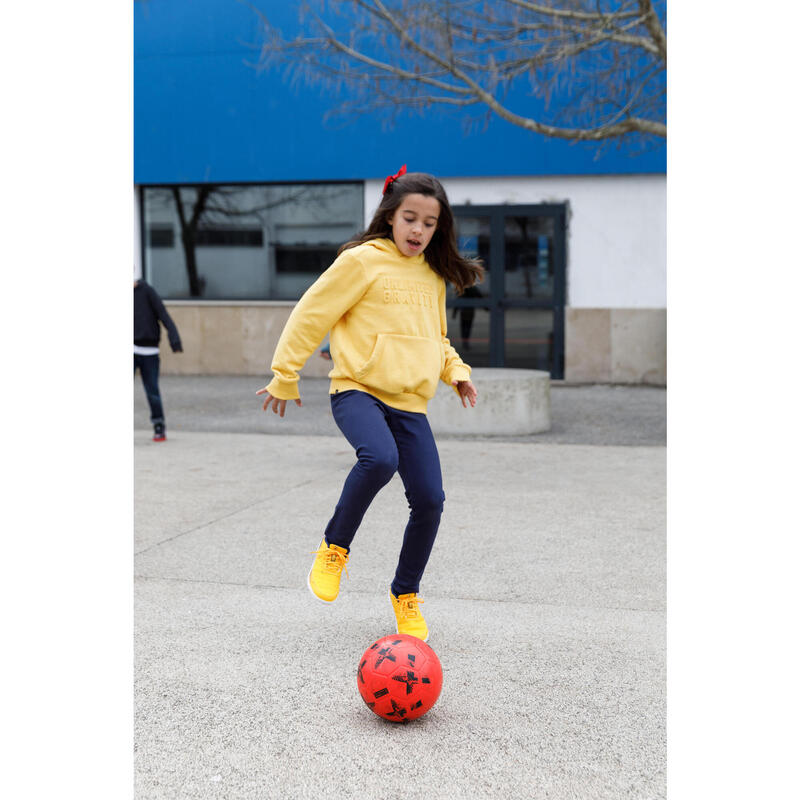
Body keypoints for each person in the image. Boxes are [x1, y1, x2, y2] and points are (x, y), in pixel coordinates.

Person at [257, 166, 483, 641]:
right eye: (410, 218)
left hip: (410, 404)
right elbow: (311, 311)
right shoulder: (362, 261)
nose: (418, 230)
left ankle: (405, 593)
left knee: (430, 501)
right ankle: (333, 549)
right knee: (379, 458)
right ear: (390, 215)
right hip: (357, 390)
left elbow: (436, 339)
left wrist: (456, 372)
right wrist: (285, 373)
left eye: (429, 222)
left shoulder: (432, 276)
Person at [134, 278, 183, 441]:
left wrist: (175, 340)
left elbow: (163, 315)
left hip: (150, 352)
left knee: (152, 391)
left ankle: (159, 425)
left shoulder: (147, 291)